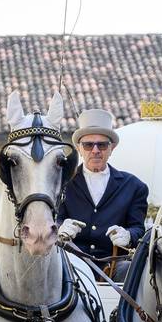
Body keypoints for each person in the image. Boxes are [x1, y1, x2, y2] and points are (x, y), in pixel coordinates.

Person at [57, 109, 148, 270]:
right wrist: (60, 228)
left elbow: (138, 229)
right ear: (79, 148)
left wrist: (128, 236)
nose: (95, 150)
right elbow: (50, 221)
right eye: (88, 145)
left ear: (111, 148)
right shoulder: (62, 183)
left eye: (102, 145)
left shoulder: (134, 186)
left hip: (114, 267)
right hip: (71, 265)